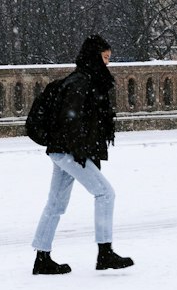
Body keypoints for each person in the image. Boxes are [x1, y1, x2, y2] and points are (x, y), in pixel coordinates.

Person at [31, 34, 134, 275]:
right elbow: (71, 118)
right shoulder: (82, 82)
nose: (108, 63)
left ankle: (42, 258)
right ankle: (105, 253)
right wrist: (78, 149)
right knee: (105, 193)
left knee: (56, 203)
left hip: (63, 150)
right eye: (105, 57)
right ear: (94, 57)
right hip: (69, 151)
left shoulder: (83, 79)